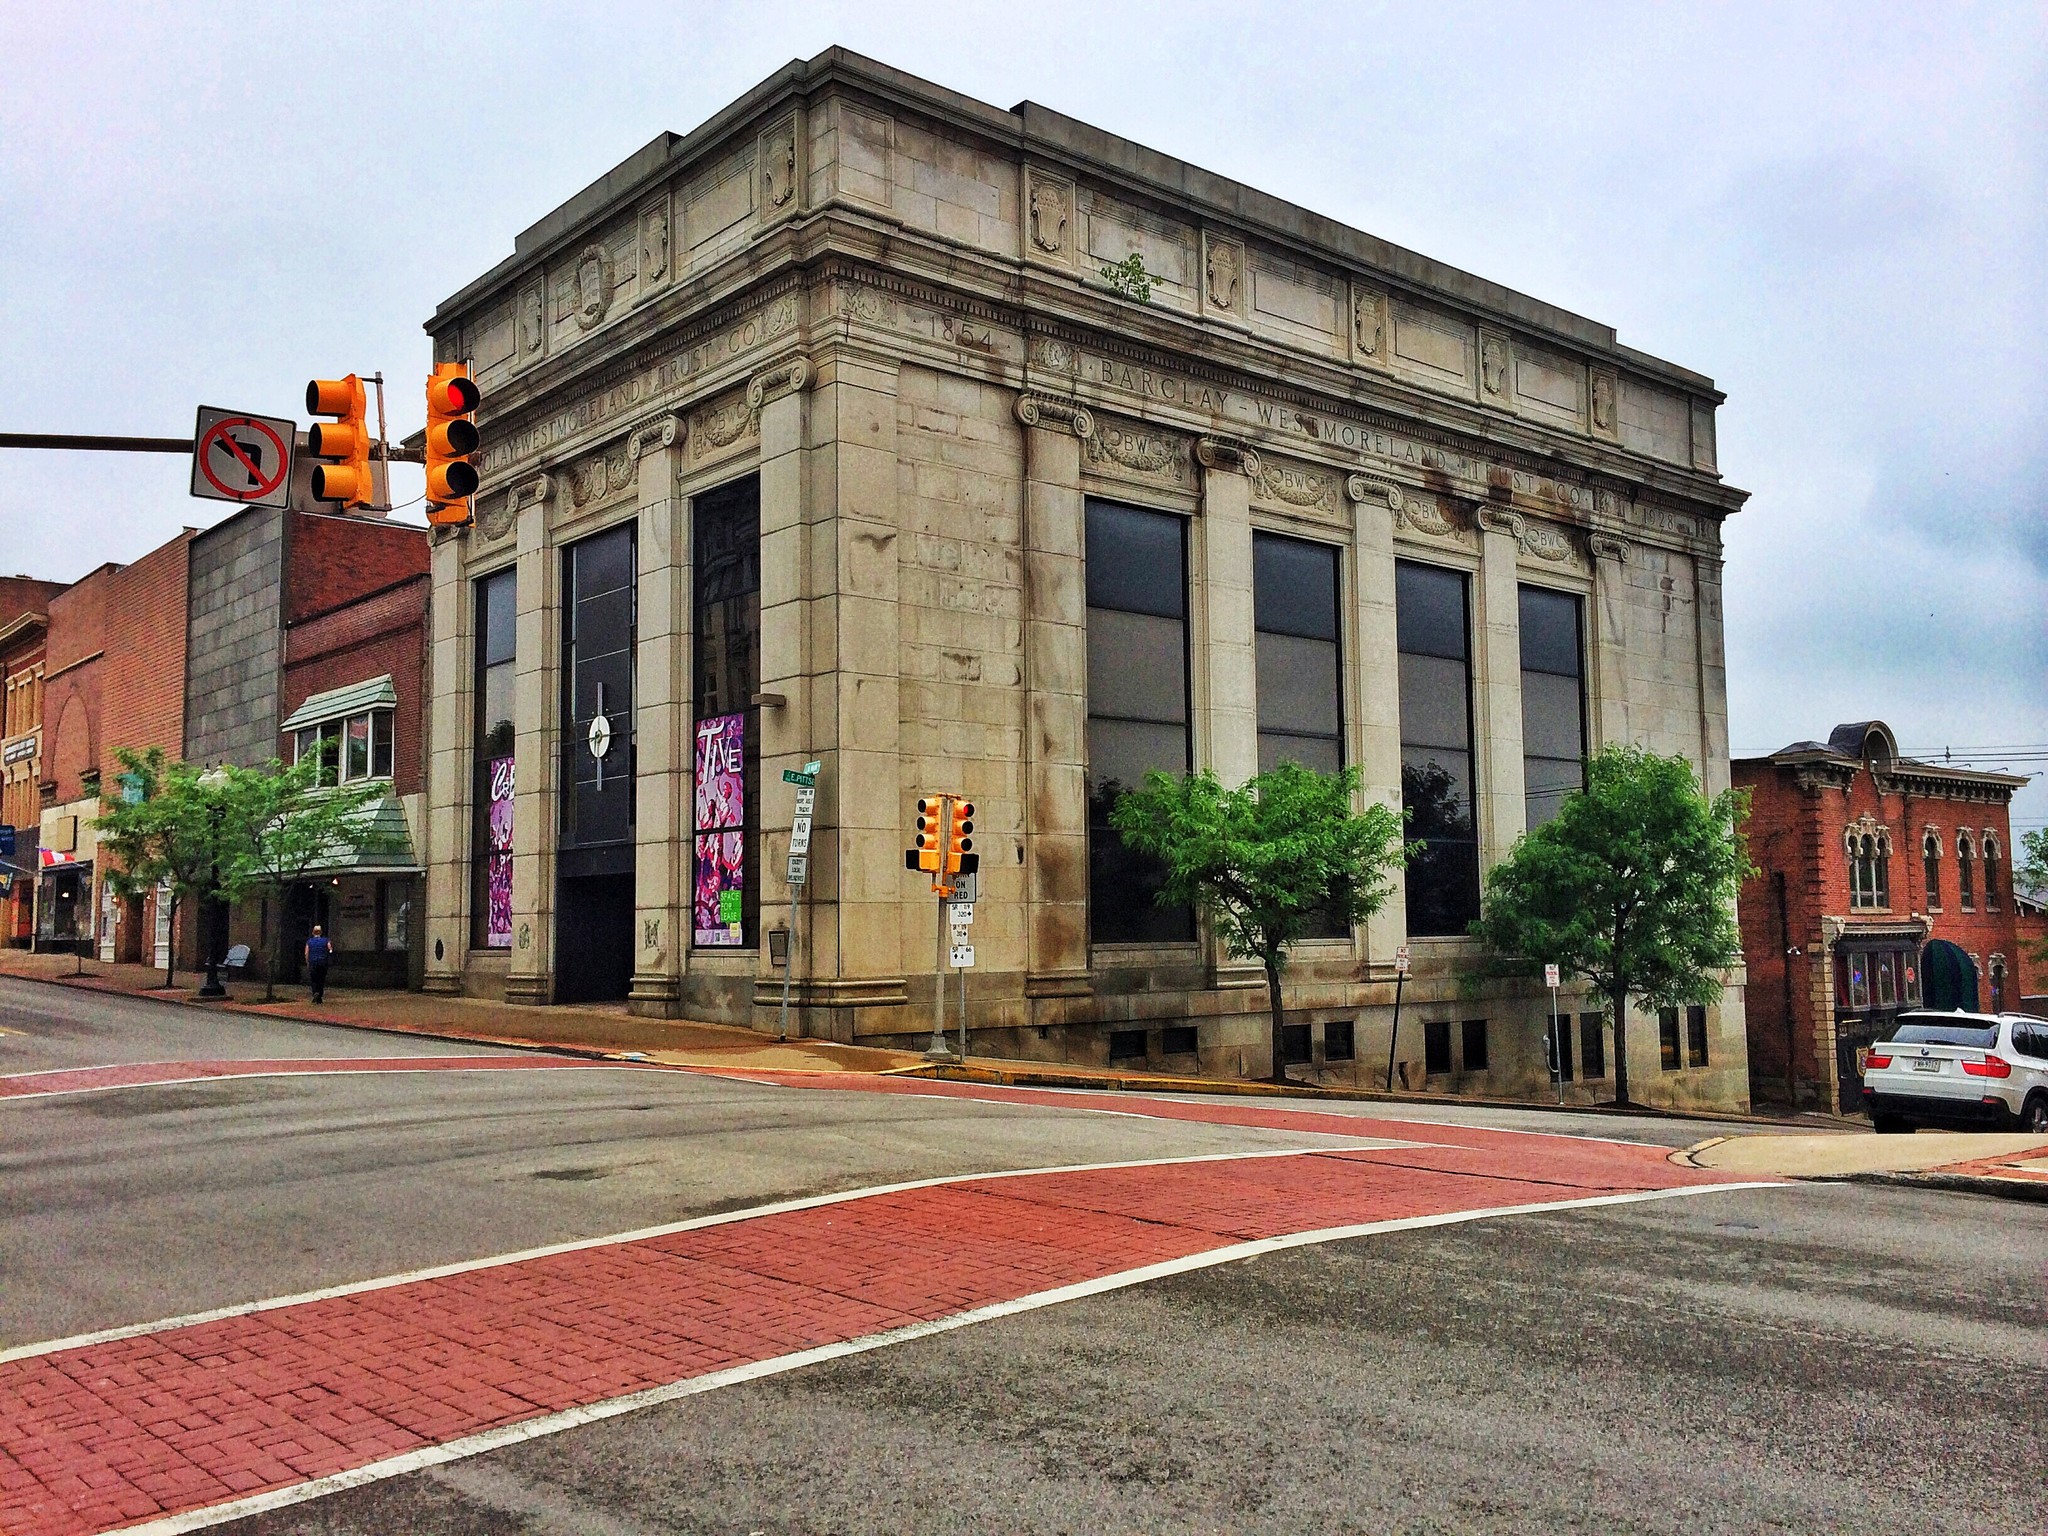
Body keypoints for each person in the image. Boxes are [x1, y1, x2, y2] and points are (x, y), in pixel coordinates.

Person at [304, 925, 332, 1003]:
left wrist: (307, 962)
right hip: (323, 962)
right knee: (321, 979)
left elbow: (306, 953)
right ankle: (319, 995)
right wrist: (329, 953)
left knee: (314, 979)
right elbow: (330, 949)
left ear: (313, 932)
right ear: (321, 932)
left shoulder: (309, 941)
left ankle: (315, 992)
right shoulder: (326, 940)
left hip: (313, 962)